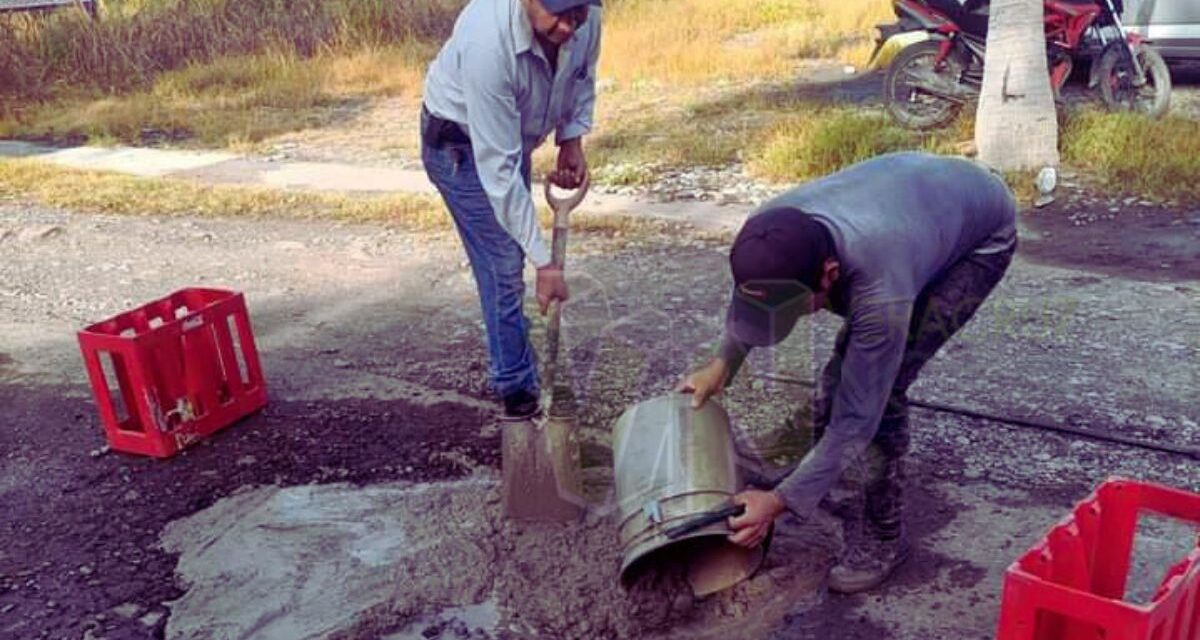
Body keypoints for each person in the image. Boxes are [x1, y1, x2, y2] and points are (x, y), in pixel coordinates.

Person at [679, 151, 1017, 594]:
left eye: (792, 309)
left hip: (978, 237)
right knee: (839, 384)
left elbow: (858, 419)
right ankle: (820, 477)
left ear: (829, 274)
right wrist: (721, 364)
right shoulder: (768, 230)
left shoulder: (880, 295)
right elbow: (754, 296)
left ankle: (882, 536)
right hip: (913, 201)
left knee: (880, 391)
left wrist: (777, 503)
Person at [421, 0, 601, 419]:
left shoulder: (584, 19)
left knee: (513, 251)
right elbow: (498, 169)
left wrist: (571, 138)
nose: (568, 27)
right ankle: (517, 391)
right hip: (459, 145)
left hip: (511, 134)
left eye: (578, 15)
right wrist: (545, 263)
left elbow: (582, 77)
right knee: (504, 263)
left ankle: (519, 361)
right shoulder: (488, 41)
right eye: (558, 14)